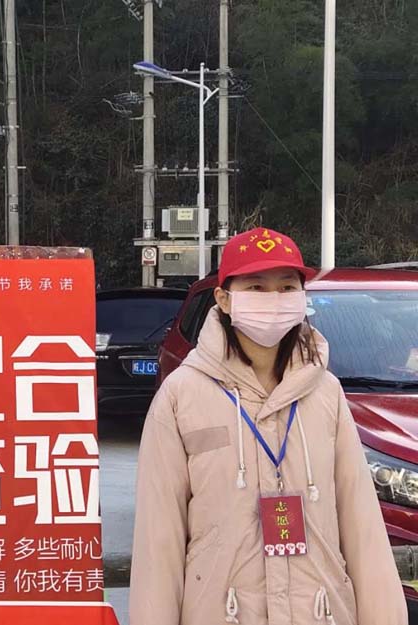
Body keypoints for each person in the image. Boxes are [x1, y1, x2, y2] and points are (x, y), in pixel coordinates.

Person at [129, 228, 406, 625]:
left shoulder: (326, 393)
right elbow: (159, 542)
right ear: (224, 299)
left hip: (321, 613)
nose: (273, 300)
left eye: (286, 287)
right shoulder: (181, 396)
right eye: (256, 287)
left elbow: (362, 526)